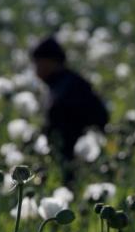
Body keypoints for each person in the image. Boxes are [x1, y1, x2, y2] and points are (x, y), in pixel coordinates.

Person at [30, 37, 109, 187]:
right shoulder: (61, 84)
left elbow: (98, 119)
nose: (36, 71)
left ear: (51, 61)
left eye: (38, 64)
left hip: (77, 160)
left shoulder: (69, 87)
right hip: (67, 158)